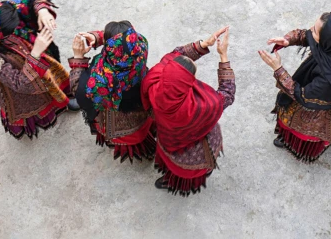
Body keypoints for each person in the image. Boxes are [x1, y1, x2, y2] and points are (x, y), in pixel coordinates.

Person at [0, 0, 79, 139]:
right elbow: (20, 83)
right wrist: (35, 54)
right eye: (10, 33)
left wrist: (42, 11)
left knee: (52, 81)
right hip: (21, 86)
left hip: (39, 61)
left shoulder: (2, 13)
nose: (16, 30)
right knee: (35, 101)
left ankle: (64, 100)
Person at [141, 27, 234, 196]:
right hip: (194, 148)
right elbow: (227, 94)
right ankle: (189, 178)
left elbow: (174, 54)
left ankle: (170, 180)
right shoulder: (203, 106)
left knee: (173, 167)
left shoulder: (154, 81)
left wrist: (204, 44)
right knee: (190, 172)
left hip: (168, 140)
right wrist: (223, 56)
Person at [258, 13, 331, 163]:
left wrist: (278, 69)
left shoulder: (328, 79)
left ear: (328, 41)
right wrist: (288, 40)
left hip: (314, 107)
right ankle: (286, 141)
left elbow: (302, 96)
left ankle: (297, 149)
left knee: (301, 132)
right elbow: (308, 35)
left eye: (316, 31)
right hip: (314, 88)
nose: (311, 31)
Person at [70, 21, 155, 163]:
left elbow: (79, 92)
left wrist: (78, 58)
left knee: (125, 137)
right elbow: (123, 40)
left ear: (110, 47)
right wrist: (97, 37)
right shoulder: (141, 46)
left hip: (119, 117)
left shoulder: (101, 80)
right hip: (140, 105)